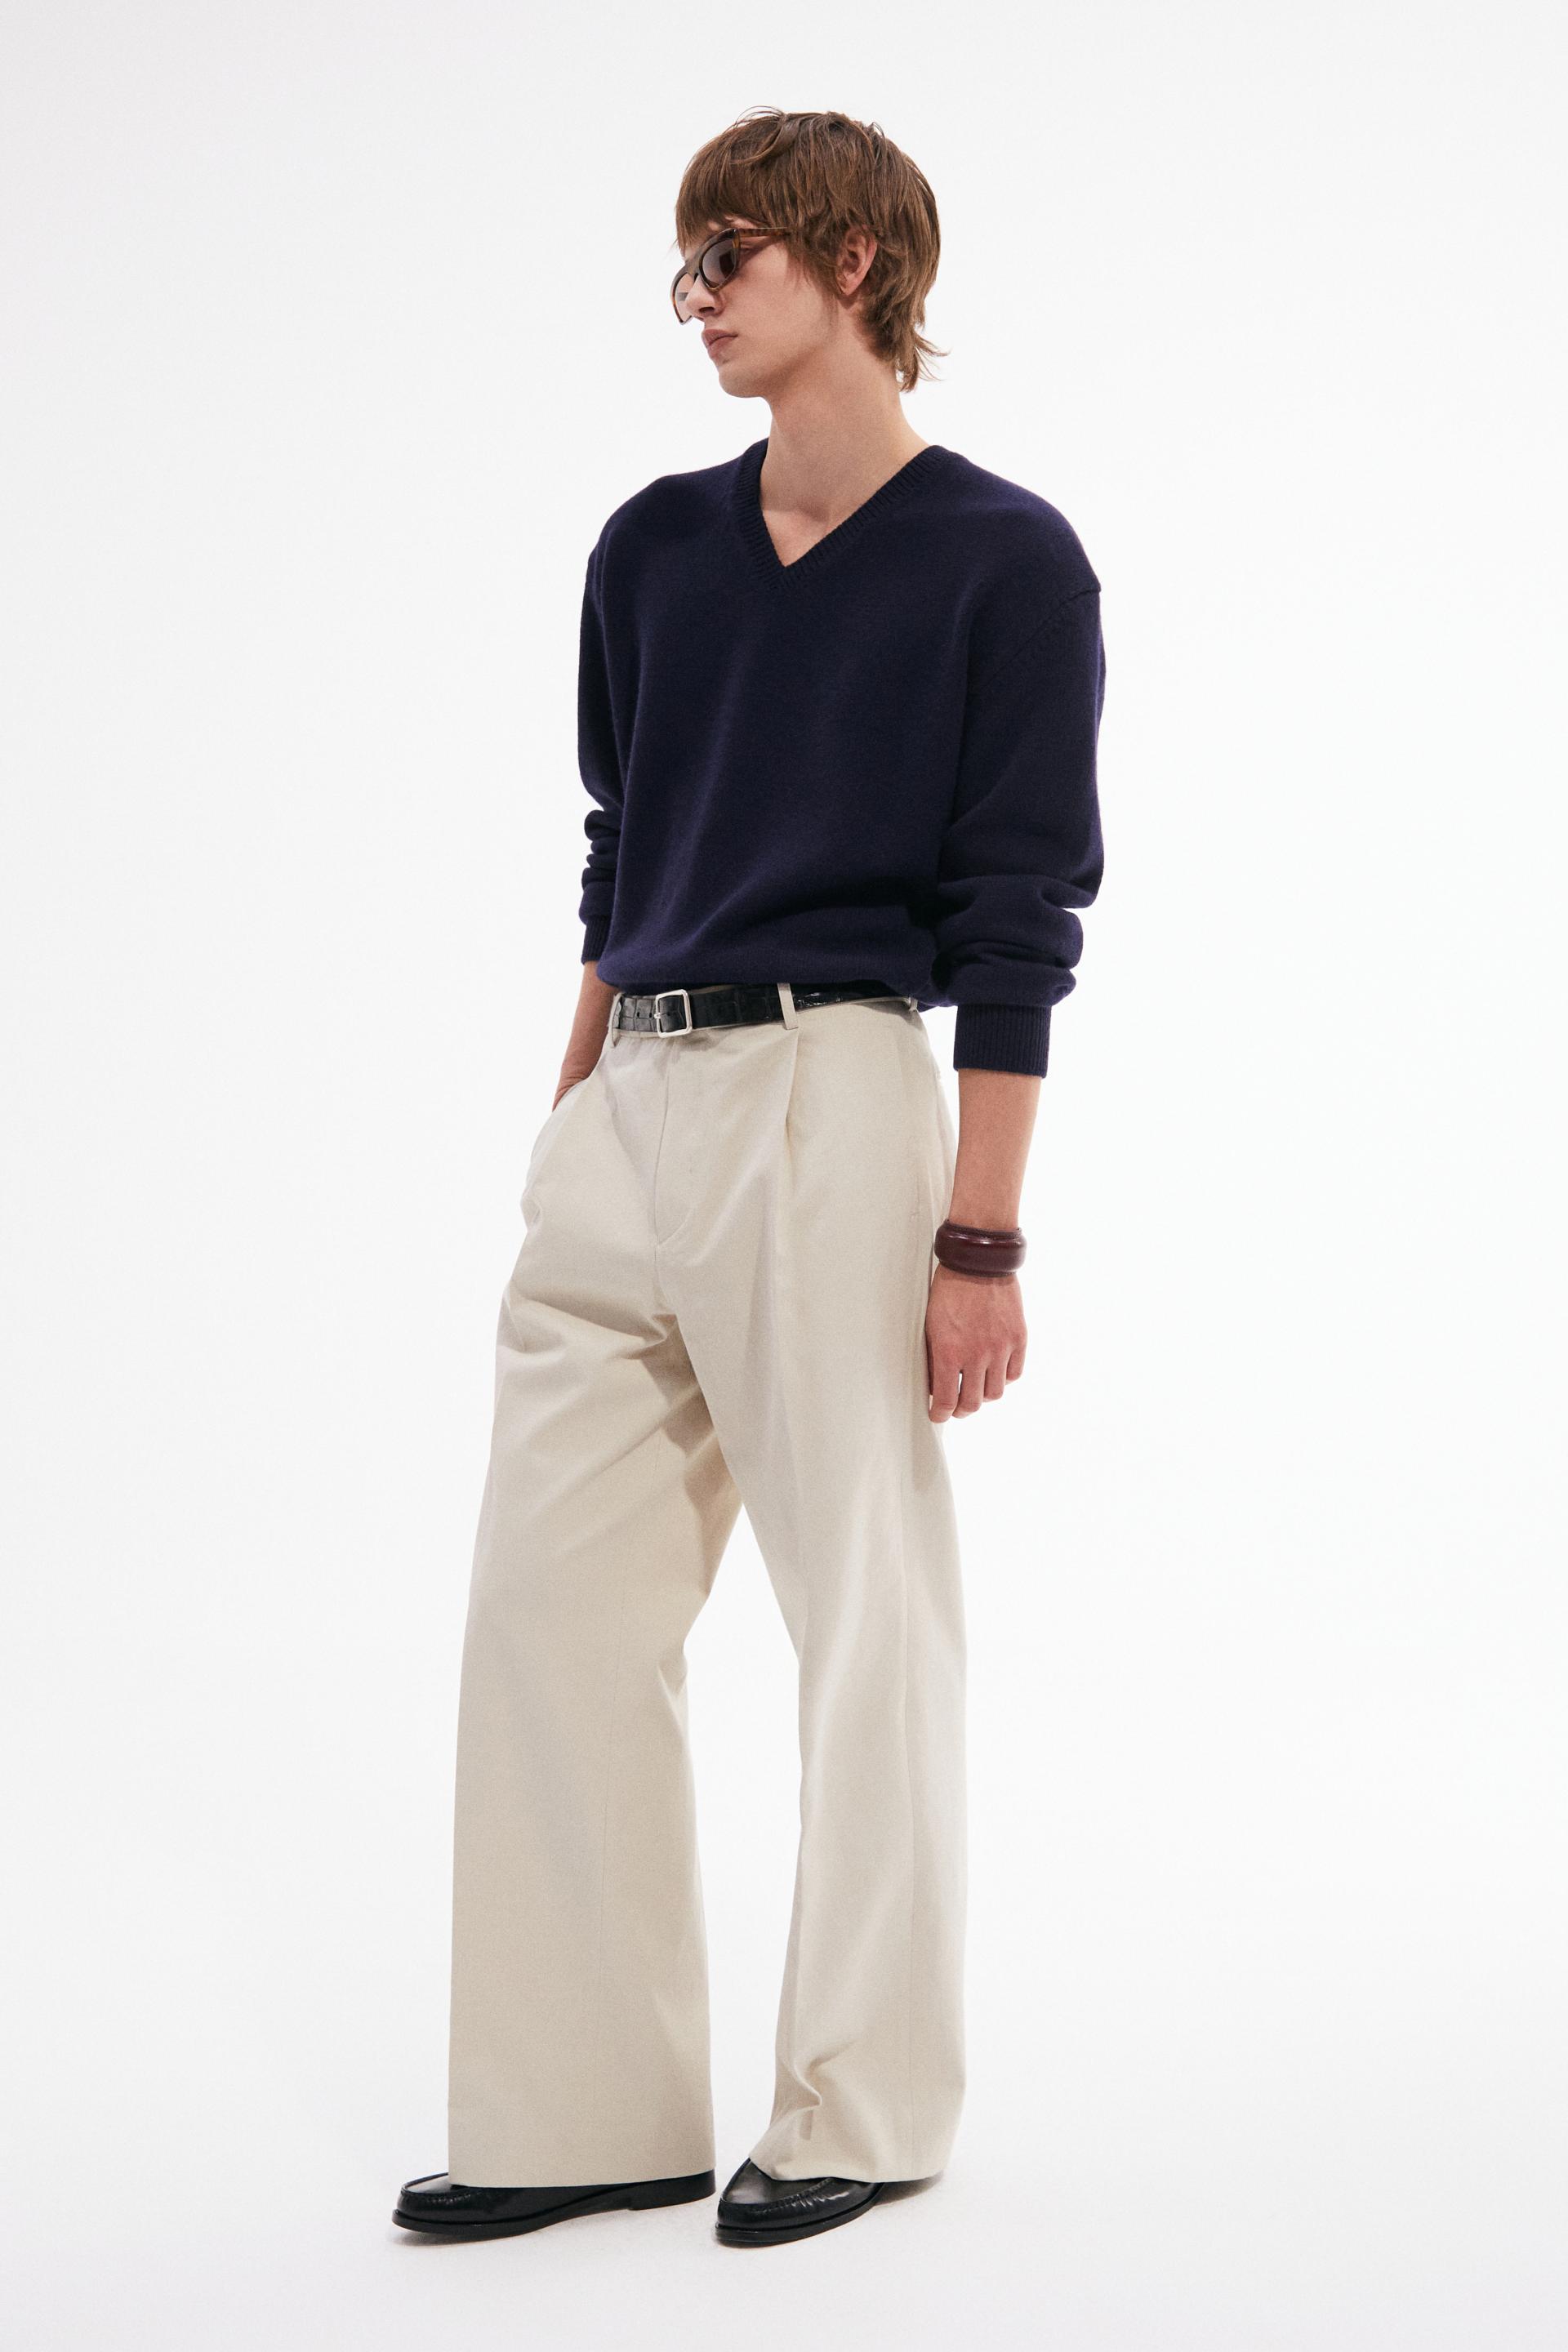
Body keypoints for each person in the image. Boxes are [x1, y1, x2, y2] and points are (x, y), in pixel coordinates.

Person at [393, 103, 1107, 2251]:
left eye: (731, 256)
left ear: (853, 264)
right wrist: (573, 1109)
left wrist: (981, 1233)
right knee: (548, 1614)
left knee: (862, 1617)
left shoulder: (1004, 560)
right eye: (691, 259)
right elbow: (623, 854)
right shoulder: (651, 550)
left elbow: (1019, 921)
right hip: (634, 1103)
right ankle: (579, 2109)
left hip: (838, 1094)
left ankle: (866, 2099)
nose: (696, 296)